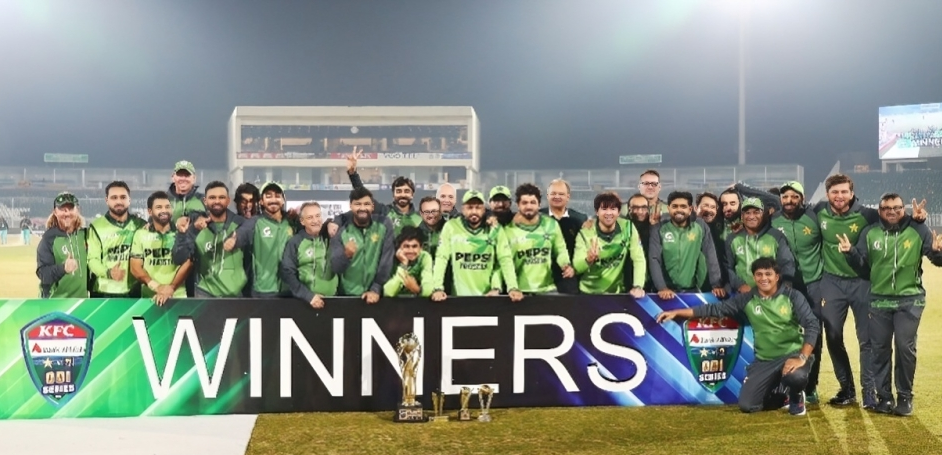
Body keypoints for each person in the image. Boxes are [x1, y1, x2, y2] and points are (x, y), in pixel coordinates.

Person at [656, 257, 818, 416]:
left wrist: (802, 357)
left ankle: (796, 396)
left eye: (768, 274)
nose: (764, 278)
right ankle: (783, 394)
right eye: (759, 274)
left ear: (777, 277)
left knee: (796, 376)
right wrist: (677, 312)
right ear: (754, 277)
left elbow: (812, 325)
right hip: (764, 360)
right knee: (747, 405)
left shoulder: (793, 296)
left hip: (792, 354)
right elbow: (715, 309)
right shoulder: (747, 299)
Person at [838, 193, 942, 416]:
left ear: (903, 209)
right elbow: (863, 269)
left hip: (910, 299)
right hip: (878, 301)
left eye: (896, 207)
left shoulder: (918, 229)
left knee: (905, 347)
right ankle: (884, 398)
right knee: (880, 350)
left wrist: (936, 251)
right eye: (887, 208)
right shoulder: (869, 232)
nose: (892, 212)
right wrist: (850, 254)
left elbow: (937, 260)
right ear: (880, 210)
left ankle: (905, 397)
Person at [812, 174, 880, 408]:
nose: (839, 196)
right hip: (832, 283)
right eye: (834, 192)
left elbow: (897, 219)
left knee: (867, 340)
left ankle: (869, 392)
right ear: (827, 194)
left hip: (862, 283)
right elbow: (781, 206)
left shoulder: (868, 215)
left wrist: (918, 219)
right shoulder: (819, 211)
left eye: (844, 192)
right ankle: (847, 389)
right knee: (832, 336)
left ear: (852, 193)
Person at [770, 181, 825, 404]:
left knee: (815, 336)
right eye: (785, 197)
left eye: (794, 196)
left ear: (802, 198)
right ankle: (784, 386)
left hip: (813, 284)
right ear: (780, 199)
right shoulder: (773, 221)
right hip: (785, 286)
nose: (789, 201)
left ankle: (810, 387)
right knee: (785, 334)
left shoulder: (814, 217)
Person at [430, 190, 519, 301]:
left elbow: (504, 259)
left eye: (478, 207)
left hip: (487, 298)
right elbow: (441, 257)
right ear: (463, 209)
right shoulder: (451, 227)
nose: (474, 211)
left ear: (484, 209)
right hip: (459, 299)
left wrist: (511, 287)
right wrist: (437, 288)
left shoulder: (495, 228)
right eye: (470, 207)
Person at [172, 181, 249, 298]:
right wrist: (191, 231)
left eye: (221, 197)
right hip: (204, 293)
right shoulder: (195, 224)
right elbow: (179, 258)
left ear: (228, 200)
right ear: (205, 201)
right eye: (212, 197)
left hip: (236, 295)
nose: (217, 201)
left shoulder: (241, 224)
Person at [649, 191, 725, 299]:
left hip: (692, 291)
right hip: (664, 293)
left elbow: (710, 256)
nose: (679, 210)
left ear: (690, 210)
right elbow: (654, 259)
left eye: (683, 206)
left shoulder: (700, 227)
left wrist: (716, 285)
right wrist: (662, 287)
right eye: (675, 206)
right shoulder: (659, 229)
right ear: (669, 208)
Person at [500, 184, 573, 294]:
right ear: (518, 205)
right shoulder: (508, 231)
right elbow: (506, 263)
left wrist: (565, 264)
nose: (529, 206)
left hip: (548, 290)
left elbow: (560, 250)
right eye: (524, 203)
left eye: (533, 202)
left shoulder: (551, 224)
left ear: (539, 205)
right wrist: (512, 287)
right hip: (520, 292)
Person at [330, 187, 395, 303]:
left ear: (372, 206)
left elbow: (386, 261)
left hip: (378, 296)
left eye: (367, 204)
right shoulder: (341, 232)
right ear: (350, 206)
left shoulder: (384, 225)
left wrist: (376, 288)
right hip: (348, 297)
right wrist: (346, 255)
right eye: (358, 204)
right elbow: (335, 268)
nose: (362, 208)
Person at [228, 182, 294, 297]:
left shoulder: (292, 222)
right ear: (261, 201)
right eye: (268, 196)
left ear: (283, 200)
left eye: (277, 196)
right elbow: (242, 233)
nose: (273, 199)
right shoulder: (255, 222)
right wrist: (233, 240)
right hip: (263, 290)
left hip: (289, 289)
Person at [573, 192, 645, 296]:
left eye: (613, 209)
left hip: (616, 293)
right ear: (597, 212)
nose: (608, 213)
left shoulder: (628, 228)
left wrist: (638, 286)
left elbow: (638, 259)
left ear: (619, 212)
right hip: (588, 293)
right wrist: (588, 260)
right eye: (604, 209)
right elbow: (576, 267)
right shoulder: (585, 233)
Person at [130, 191, 192, 306]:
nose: (164, 210)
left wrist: (171, 288)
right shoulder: (140, 234)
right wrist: (157, 287)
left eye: (167, 207)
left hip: (178, 296)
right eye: (159, 207)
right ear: (150, 211)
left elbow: (188, 263)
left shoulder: (182, 232)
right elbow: (135, 267)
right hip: (149, 298)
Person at [87, 181, 147, 298]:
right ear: (107, 200)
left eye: (123, 197)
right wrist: (108, 273)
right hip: (104, 291)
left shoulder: (141, 225)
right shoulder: (97, 226)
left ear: (129, 200)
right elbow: (92, 259)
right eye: (114, 197)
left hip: (134, 290)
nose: (119, 201)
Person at [725, 197, 795, 293]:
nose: (752, 216)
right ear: (742, 216)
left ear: (764, 214)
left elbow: (787, 264)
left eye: (756, 212)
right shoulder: (732, 238)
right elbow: (727, 267)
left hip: (771, 294)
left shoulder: (776, 236)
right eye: (747, 213)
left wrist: (782, 287)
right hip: (741, 295)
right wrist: (740, 285)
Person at [345, 147, 421, 235]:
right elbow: (364, 196)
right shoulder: (384, 212)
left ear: (412, 194)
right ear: (393, 194)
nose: (402, 194)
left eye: (406, 191)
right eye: (399, 191)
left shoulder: (420, 217)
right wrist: (352, 173)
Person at [281, 202, 337, 308]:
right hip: (305, 303)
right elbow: (287, 272)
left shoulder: (330, 237)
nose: (315, 221)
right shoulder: (295, 242)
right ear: (302, 221)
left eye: (318, 216)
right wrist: (308, 296)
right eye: (310, 217)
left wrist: (332, 222)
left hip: (334, 302)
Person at [540, 179, 588, 294]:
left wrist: (575, 269)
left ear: (568, 197)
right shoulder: (538, 217)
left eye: (561, 194)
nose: (557, 196)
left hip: (569, 274)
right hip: (542, 275)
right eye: (553, 193)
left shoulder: (580, 219)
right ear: (547, 196)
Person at [36, 192, 88, 298]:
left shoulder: (86, 235)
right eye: (62, 209)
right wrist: (63, 268)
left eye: (70, 208)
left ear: (78, 210)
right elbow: (43, 274)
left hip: (82, 303)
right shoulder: (49, 239)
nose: (67, 213)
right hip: (55, 302)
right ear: (55, 212)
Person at [383, 226, 434, 297]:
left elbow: (428, 290)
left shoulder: (425, 257)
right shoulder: (391, 257)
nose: (411, 251)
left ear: (421, 248)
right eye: (406, 246)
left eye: (414, 246)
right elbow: (388, 292)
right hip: (393, 303)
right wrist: (404, 264)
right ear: (399, 247)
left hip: (418, 303)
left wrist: (417, 289)